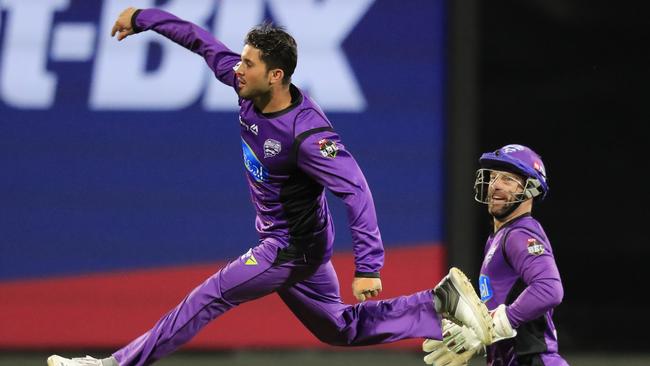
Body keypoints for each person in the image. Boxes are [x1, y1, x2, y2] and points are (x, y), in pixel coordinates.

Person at [47, 7, 496, 366]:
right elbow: (203, 44)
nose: (237, 69)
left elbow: (356, 190)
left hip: (288, 248)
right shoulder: (250, 87)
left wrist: (369, 266)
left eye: (248, 63)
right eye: (241, 59)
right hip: (301, 241)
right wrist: (144, 18)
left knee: (209, 295)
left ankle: (115, 365)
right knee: (338, 329)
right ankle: (437, 305)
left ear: (276, 75)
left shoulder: (308, 136)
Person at [422, 144, 568, 366]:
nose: (495, 185)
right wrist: (476, 334)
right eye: (493, 177)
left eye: (508, 180)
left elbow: (550, 289)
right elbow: (500, 306)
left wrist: (496, 324)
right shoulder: (498, 237)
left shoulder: (520, 233)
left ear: (530, 188)